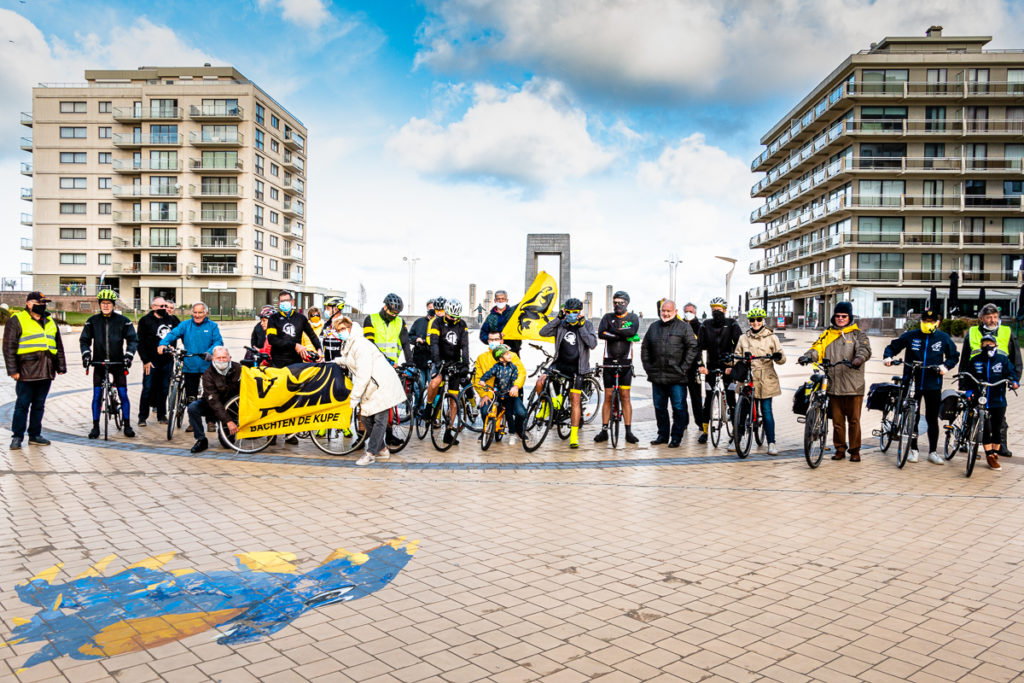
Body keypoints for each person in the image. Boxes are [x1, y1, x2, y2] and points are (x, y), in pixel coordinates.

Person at [798, 301, 872, 462]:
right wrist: (808, 356)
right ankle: (840, 449)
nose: (840, 319)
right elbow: (817, 348)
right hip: (833, 384)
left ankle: (855, 450)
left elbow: (864, 349)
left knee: (854, 421)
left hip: (853, 385)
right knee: (837, 422)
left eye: (844, 316)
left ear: (849, 317)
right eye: (837, 316)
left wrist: (859, 359)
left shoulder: (858, 334)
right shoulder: (827, 333)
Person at [883, 308, 958, 464]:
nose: (927, 324)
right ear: (921, 321)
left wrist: (945, 366)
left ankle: (932, 452)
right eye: (925, 321)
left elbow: (954, 356)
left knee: (932, 418)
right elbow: (893, 346)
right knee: (913, 417)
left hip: (933, 384)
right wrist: (888, 357)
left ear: (938, 323)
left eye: (931, 321)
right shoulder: (911, 336)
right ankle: (914, 450)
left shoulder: (943, 338)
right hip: (911, 382)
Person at [332, 316, 408, 466]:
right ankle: (383, 449)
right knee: (366, 418)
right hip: (374, 385)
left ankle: (371, 453)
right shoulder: (350, 344)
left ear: (349, 327)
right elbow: (349, 360)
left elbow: (363, 374)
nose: (340, 332)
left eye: (342, 329)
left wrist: (354, 398)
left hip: (382, 383)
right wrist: (333, 362)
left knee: (380, 419)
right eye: (337, 330)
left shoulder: (360, 344)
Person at [3, 291, 67, 449]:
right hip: (26, 371)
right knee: (22, 405)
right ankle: (17, 437)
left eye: (44, 304)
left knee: (39, 405)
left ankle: (35, 435)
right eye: (39, 304)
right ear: (29, 304)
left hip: (46, 370)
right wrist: (13, 370)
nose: (43, 306)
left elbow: (58, 346)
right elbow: (9, 347)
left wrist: (61, 366)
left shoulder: (50, 321)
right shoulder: (17, 320)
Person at [959, 303, 1022, 457]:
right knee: (973, 410)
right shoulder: (973, 332)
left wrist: (1015, 380)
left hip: (997, 379)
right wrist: (964, 381)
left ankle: (1001, 445)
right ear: (982, 318)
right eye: (988, 317)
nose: (992, 320)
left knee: (999, 415)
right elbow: (965, 358)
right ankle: (967, 442)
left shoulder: (1007, 332)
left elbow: (1016, 358)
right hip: (976, 378)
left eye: (994, 317)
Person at [537, 297, 597, 449]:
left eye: (574, 312)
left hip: (577, 367)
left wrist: (581, 326)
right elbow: (543, 332)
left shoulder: (587, 324)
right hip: (559, 363)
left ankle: (574, 434)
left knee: (575, 400)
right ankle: (546, 407)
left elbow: (592, 343)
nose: (571, 314)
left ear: (579, 312)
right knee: (541, 381)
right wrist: (557, 318)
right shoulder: (561, 324)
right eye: (568, 312)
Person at [80, 289, 138, 439]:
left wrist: (128, 356)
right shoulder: (92, 321)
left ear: (113, 305)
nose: (106, 306)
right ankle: (95, 427)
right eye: (103, 303)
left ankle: (127, 425)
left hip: (118, 363)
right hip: (99, 363)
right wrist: (86, 355)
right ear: (100, 304)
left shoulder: (123, 321)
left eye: (109, 303)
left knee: (123, 394)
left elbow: (132, 340)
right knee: (97, 395)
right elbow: (84, 340)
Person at [157, 301, 224, 432]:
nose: (197, 315)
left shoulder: (212, 326)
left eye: (200, 312)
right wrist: (163, 343)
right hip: (190, 365)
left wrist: (210, 352)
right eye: (195, 312)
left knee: (210, 394)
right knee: (191, 396)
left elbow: (218, 341)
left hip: (207, 365)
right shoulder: (185, 325)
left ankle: (211, 421)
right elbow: (172, 334)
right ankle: (193, 422)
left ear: (206, 313)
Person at [641, 299, 699, 447]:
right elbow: (645, 348)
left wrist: (684, 367)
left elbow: (693, 347)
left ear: (675, 312)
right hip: (657, 376)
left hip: (677, 377)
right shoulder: (653, 327)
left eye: (668, 311)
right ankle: (662, 435)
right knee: (659, 408)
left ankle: (676, 436)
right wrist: (648, 367)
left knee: (678, 407)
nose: (665, 313)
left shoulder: (684, 328)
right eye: (663, 311)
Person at [733, 308, 786, 455]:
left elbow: (782, 358)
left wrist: (777, 356)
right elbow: (737, 355)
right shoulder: (743, 338)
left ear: (763, 320)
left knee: (767, 411)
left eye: (758, 320)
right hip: (748, 377)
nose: (755, 323)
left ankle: (771, 442)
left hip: (766, 379)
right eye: (752, 320)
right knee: (742, 410)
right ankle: (737, 438)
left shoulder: (772, 337)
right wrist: (732, 362)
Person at [595, 290, 641, 444]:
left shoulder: (633, 317)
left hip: (626, 363)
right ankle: (604, 430)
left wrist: (613, 332)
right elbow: (601, 333)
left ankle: (628, 431)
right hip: (608, 362)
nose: (617, 305)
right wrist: (622, 334)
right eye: (615, 302)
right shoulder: (607, 317)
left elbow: (632, 331)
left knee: (625, 397)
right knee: (608, 396)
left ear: (627, 303)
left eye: (621, 302)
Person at [424, 298, 471, 444]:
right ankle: (429, 406)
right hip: (440, 360)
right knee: (435, 382)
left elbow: (465, 346)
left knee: (453, 401)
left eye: (456, 317)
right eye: (451, 316)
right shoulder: (437, 322)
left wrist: (465, 364)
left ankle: (449, 431)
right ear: (446, 312)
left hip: (455, 362)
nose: (453, 319)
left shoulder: (462, 325)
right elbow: (434, 343)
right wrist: (437, 362)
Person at [698, 297, 742, 441]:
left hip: (728, 366)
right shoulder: (705, 325)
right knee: (708, 398)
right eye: (714, 309)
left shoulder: (732, 324)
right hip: (711, 366)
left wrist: (733, 364)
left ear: (724, 310)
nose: (716, 311)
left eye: (719, 309)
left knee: (731, 397)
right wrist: (701, 365)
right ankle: (704, 432)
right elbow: (698, 347)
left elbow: (740, 346)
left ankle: (736, 431)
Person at [186, 345, 240, 453]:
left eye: (224, 357)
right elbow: (213, 401)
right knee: (193, 408)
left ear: (230, 357)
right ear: (213, 359)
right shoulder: (208, 374)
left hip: (231, 408)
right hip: (212, 406)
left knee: (227, 445)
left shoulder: (239, 369)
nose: (221, 360)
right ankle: (201, 439)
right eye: (218, 358)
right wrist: (228, 421)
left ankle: (226, 428)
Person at [136, 296, 180, 426]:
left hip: (167, 361)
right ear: (153, 306)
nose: (164, 308)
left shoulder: (171, 320)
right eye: (161, 306)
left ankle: (162, 415)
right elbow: (140, 342)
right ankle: (142, 417)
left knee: (164, 389)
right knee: (147, 388)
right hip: (151, 362)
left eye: (165, 306)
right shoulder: (145, 321)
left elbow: (182, 331)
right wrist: (145, 360)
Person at [474, 330, 527, 427]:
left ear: (502, 341)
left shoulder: (512, 356)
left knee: (522, 413)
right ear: (488, 341)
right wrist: (483, 394)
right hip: (490, 394)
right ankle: (485, 432)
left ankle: (519, 429)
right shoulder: (482, 357)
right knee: (485, 411)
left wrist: (516, 386)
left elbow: (521, 372)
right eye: (491, 339)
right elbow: (477, 378)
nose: (494, 342)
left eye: (496, 339)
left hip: (509, 392)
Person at [266, 290, 321, 367]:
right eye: (282, 301)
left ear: (292, 302)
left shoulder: (301, 318)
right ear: (278, 303)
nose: (284, 303)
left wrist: (319, 349)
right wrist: (295, 346)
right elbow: (272, 339)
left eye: (287, 300)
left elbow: (312, 335)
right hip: (278, 361)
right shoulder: (273, 318)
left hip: (296, 361)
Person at [363, 293, 412, 366]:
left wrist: (410, 363)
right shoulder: (370, 319)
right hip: (374, 363)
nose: (394, 315)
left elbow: (406, 344)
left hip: (393, 365)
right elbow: (369, 343)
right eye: (392, 312)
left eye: (397, 313)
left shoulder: (400, 322)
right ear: (385, 307)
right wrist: (385, 359)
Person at [682, 302, 706, 442]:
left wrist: (701, 364)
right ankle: (683, 422)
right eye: (686, 311)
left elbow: (701, 348)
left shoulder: (700, 327)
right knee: (680, 398)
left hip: (694, 367)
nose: (688, 313)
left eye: (690, 311)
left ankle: (700, 423)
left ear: (695, 312)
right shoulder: (679, 324)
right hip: (681, 367)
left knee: (696, 398)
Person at [409, 300, 436, 403]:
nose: (432, 311)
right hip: (419, 360)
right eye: (430, 308)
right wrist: (417, 339)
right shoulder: (419, 322)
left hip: (432, 360)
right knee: (418, 387)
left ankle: (431, 411)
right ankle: (419, 409)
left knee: (433, 387)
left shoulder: (438, 323)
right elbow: (409, 336)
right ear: (427, 309)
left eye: (434, 308)